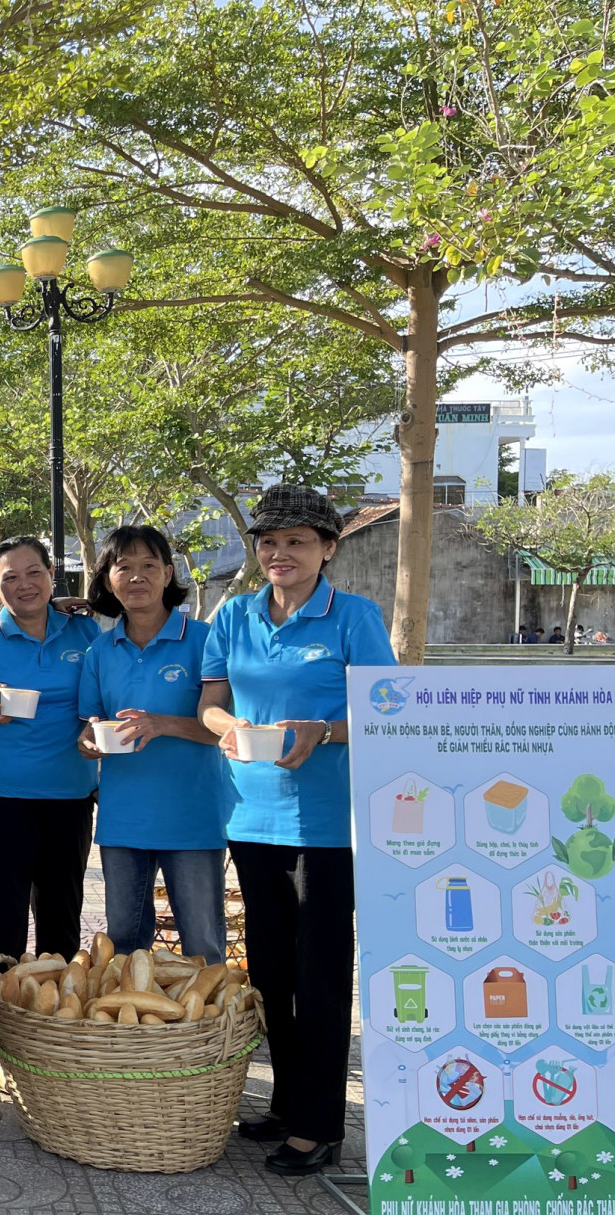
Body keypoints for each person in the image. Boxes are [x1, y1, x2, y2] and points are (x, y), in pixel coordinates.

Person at [198, 483, 396, 1175]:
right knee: (272, 972)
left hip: (326, 827)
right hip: (250, 817)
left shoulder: (354, 619)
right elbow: (211, 702)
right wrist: (230, 729)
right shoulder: (237, 616)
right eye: (269, 541)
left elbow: (392, 714)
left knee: (319, 978)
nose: (280, 553)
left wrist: (327, 730)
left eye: (298, 541)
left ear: (329, 548)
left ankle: (320, 1126)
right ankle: (285, 1103)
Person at [76, 525, 226, 962]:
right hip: (123, 821)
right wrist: (90, 741)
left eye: (148, 566)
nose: (136, 577)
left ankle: (210, 1033)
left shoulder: (204, 641)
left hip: (194, 818)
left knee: (203, 947)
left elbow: (226, 728)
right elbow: (91, 724)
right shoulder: (100, 651)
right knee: (123, 948)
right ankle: (133, 1031)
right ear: (107, 580)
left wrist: (163, 724)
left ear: (168, 573)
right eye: (124, 567)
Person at [0, 536, 100, 973]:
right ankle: (1, 1022)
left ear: (51, 574)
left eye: (34, 572)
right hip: (0, 797)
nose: (25, 584)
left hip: (70, 795)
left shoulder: (85, 630)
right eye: (10, 577)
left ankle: (52, 1023)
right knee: (2, 919)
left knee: (61, 916)